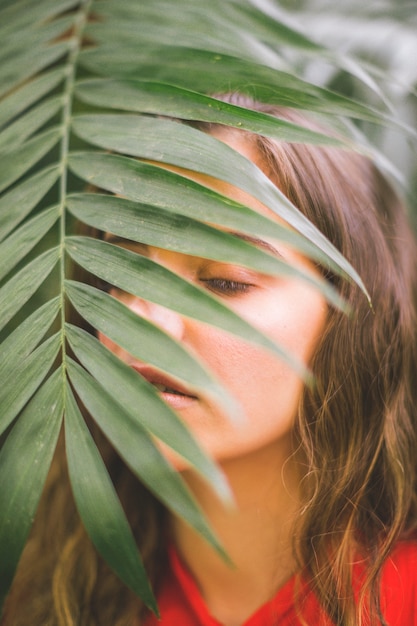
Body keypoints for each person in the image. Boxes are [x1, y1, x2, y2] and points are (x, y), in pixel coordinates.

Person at [2, 94, 417, 626]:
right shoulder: (59, 580)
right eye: (122, 270)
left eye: (223, 281)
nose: (144, 321)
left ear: (354, 317)